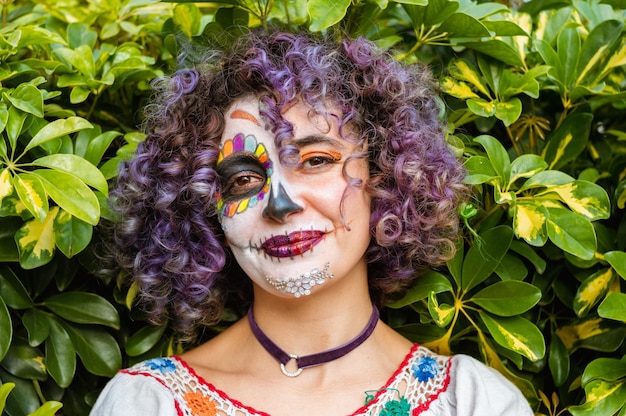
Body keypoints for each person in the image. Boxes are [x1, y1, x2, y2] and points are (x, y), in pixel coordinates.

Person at [90, 31, 534, 416]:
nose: (279, 204)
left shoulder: (473, 403)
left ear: (383, 177)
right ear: (206, 211)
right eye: (243, 178)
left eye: (316, 160)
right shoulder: (147, 404)